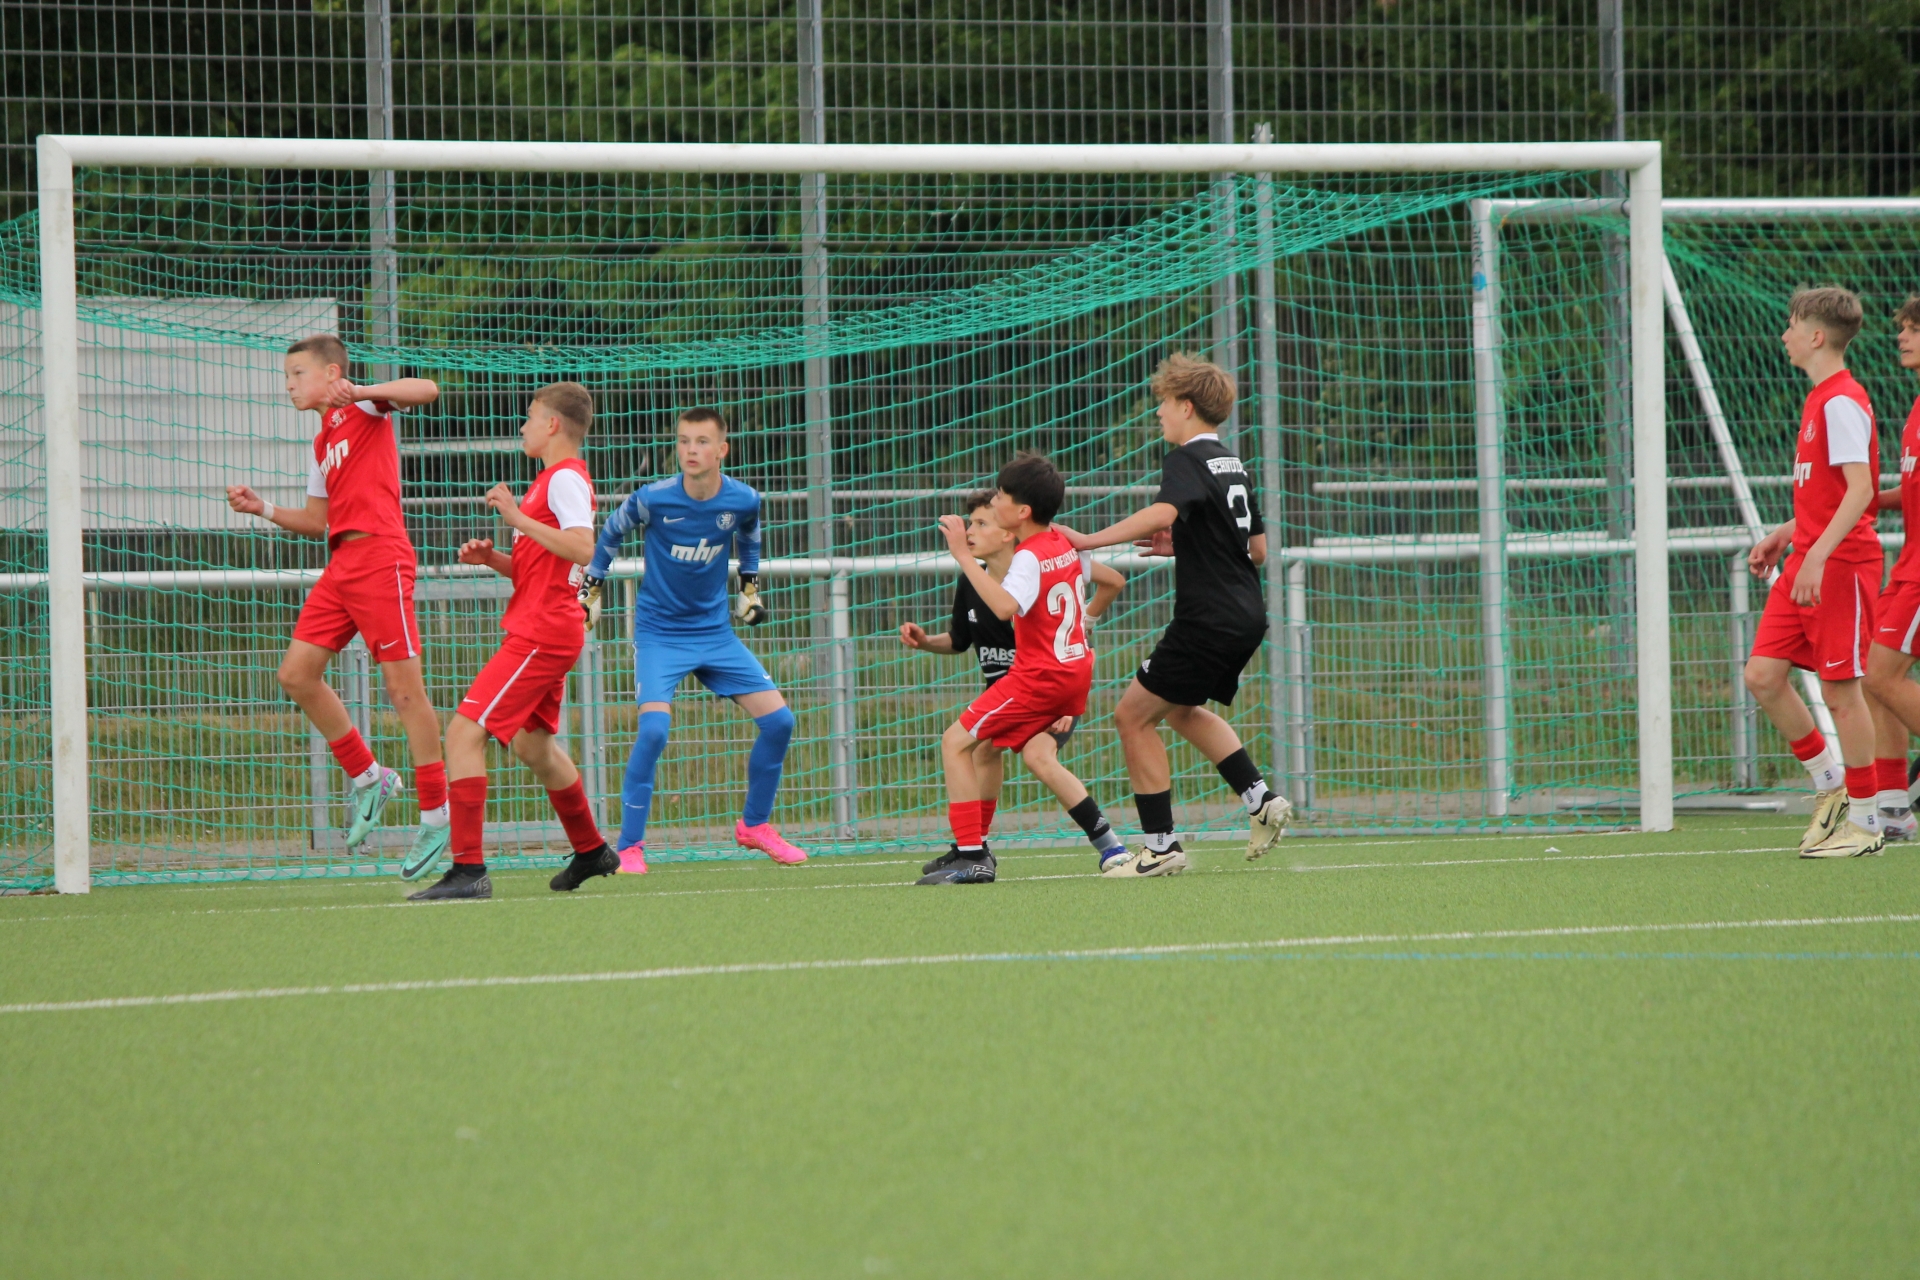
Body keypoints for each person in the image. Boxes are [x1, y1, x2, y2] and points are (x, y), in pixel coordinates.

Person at [1060, 353, 1291, 877]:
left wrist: (1089, 540)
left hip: (1206, 618)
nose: (1159, 412)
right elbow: (1257, 551)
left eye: (1164, 402)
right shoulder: (1232, 462)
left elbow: (1163, 512)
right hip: (1247, 614)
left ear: (1186, 406)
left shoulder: (1185, 458)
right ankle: (1259, 799)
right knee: (1181, 710)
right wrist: (1190, 542)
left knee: (1132, 716)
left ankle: (1161, 847)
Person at [224, 335, 449, 870]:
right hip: (342, 565)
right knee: (296, 675)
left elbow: (428, 389)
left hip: (380, 558)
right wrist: (263, 508)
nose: (289, 385)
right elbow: (316, 520)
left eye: (298, 374)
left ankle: (438, 818)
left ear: (331, 373)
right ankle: (370, 777)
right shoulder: (322, 440)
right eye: (286, 377)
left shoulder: (366, 406)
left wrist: (363, 390)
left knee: (405, 692)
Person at [406, 383, 618, 901]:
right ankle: (591, 849)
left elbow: (584, 548)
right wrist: (496, 559)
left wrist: (516, 518)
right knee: (532, 745)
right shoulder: (550, 481)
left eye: (530, 417)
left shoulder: (563, 478)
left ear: (553, 425)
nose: (523, 427)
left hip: (541, 632)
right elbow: (546, 568)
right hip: (548, 627)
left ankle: (468, 870)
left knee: (462, 734)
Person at [577, 407, 805, 873]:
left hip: (715, 634)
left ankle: (754, 826)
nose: (690, 450)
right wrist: (591, 588)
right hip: (660, 635)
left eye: (701, 442)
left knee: (780, 722)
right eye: (683, 441)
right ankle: (630, 847)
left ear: (722, 450)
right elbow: (612, 531)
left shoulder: (743, 499)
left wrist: (749, 588)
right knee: (654, 731)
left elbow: (750, 536)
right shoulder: (653, 498)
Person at [918, 453, 1131, 885]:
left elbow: (1003, 606)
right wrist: (1085, 625)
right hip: (1073, 673)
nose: (994, 501)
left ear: (1021, 512)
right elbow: (1098, 585)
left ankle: (973, 856)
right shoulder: (1061, 542)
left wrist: (962, 556)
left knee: (955, 742)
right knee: (990, 749)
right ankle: (1109, 847)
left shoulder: (1028, 557)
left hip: (1039, 678)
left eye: (1000, 496)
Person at [1743, 287, 1886, 858]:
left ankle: (1868, 825)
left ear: (1817, 336)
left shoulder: (1841, 401)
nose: (1785, 335)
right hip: (1809, 555)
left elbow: (1861, 491)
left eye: (1792, 325)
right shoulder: (1819, 398)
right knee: (1762, 675)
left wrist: (1820, 554)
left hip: (1840, 565)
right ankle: (1831, 787)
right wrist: (1787, 533)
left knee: (1841, 691)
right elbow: (1827, 495)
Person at [1861, 296, 1920, 841]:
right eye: (1902, 328)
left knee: (1881, 675)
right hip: (1907, 566)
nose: (1901, 336)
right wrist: (1868, 501)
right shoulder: (1917, 407)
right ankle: (1895, 808)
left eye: (1913, 329)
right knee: (1875, 678)